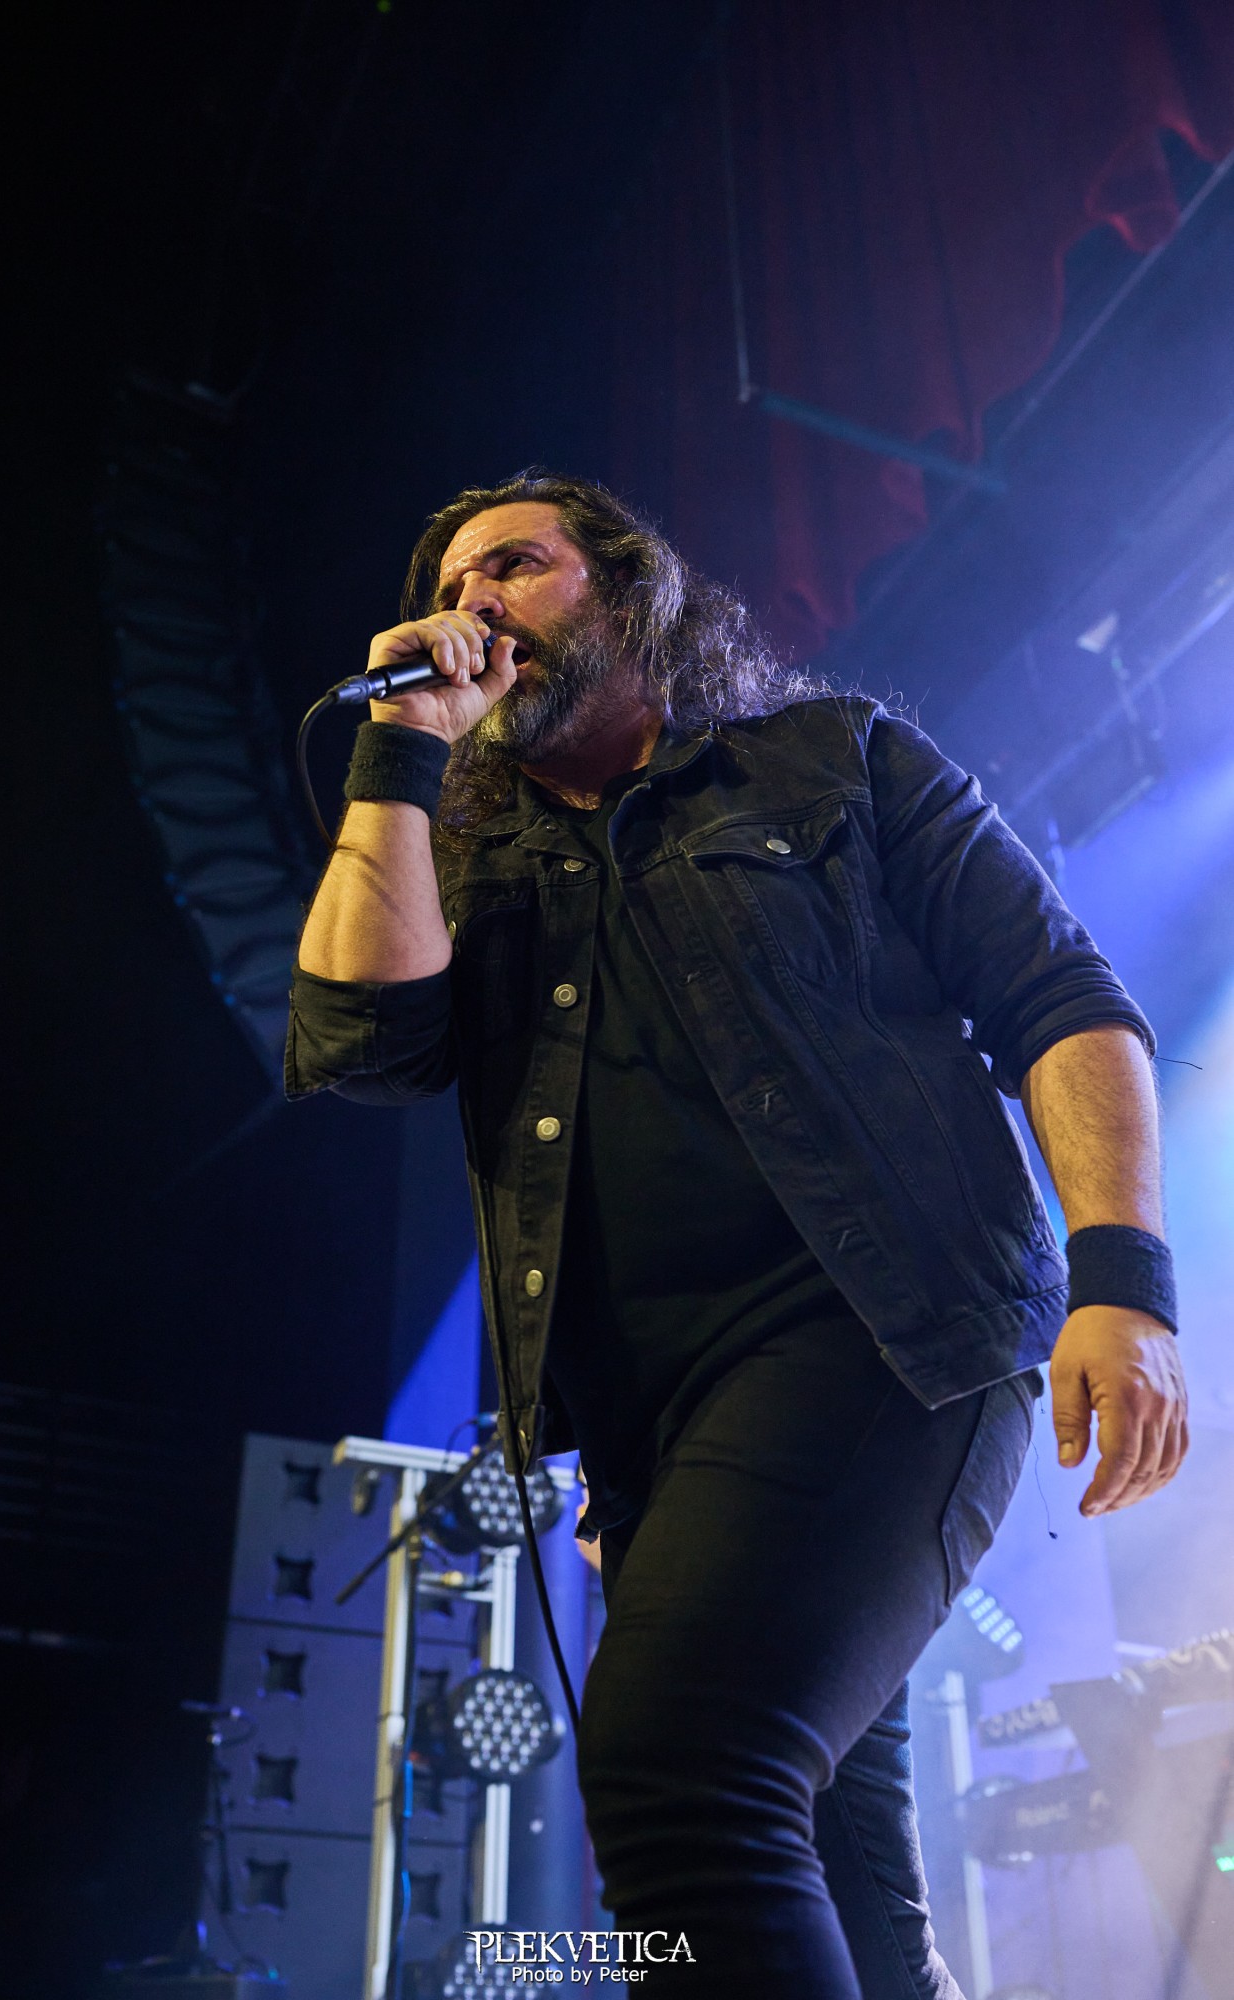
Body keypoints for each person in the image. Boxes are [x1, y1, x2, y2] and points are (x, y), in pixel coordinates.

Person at [286, 473, 1188, 1997]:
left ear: (628, 589)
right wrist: (400, 752)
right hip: (662, 1443)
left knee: (676, 1770)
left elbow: (1060, 999)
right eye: (449, 586)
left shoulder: (831, 758)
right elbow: (354, 1038)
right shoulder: (471, 866)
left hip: (886, 1342)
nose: (473, 603)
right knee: (828, 1857)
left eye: (515, 565)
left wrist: (1124, 1281)